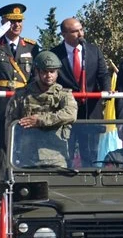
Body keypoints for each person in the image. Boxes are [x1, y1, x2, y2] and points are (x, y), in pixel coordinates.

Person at [46, 18, 111, 166]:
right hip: (64, 111)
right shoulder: (55, 54)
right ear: (64, 34)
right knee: (65, 154)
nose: (81, 34)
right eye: (75, 31)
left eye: (81, 29)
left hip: (90, 111)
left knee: (91, 156)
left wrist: (107, 90)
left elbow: (103, 75)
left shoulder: (93, 50)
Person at [0, 3, 38, 159]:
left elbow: (36, 75)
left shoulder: (31, 47)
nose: (17, 25)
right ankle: (0, 174)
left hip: (22, 102)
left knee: (22, 145)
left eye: (19, 21)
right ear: (3, 22)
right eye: (12, 21)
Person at [4, 50, 78, 168]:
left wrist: (39, 120)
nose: (49, 75)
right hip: (26, 157)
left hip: (56, 157)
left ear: (57, 73)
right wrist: (12, 155)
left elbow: (71, 114)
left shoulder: (64, 95)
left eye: (52, 71)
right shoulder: (21, 95)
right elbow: (10, 127)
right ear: (37, 72)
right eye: (44, 71)